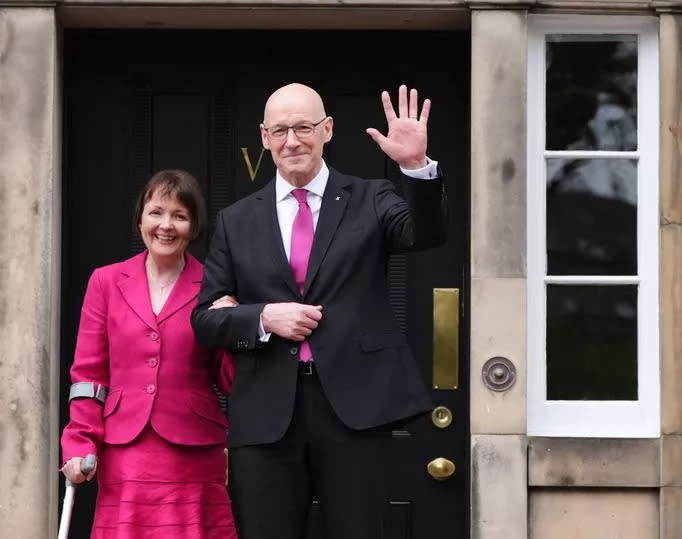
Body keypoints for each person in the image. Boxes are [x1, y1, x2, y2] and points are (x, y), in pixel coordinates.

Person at [191, 83, 448, 539]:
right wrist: (263, 318)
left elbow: (422, 235)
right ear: (264, 137)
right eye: (280, 130)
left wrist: (414, 167)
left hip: (353, 408)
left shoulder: (371, 196)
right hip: (266, 414)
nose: (292, 140)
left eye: (304, 127)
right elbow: (205, 318)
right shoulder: (236, 220)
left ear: (327, 129)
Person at [60, 169, 236, 539]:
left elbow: (233, 380)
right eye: (156, 212)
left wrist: (232, 325)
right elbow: (88, 375)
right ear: (140, 218)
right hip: (126, 453)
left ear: (194, 225)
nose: (166, 226)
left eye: (180, 216)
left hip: (194, 454)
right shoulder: (105, 282)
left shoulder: (214, 287)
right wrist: (79, 441)